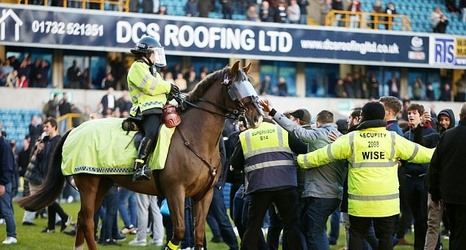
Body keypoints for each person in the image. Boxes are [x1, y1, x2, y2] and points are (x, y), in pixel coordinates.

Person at [296, 101, 434, 250]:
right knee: (385, 238)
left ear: (364, 117)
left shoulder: (352, 138)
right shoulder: (392, 139)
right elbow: (423, 154)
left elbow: (323, 155)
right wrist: (447, 147)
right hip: (387, 205)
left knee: (357, 235)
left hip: (359, 204)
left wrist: (300, 160)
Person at [261, 101, 346, 250]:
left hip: (321, 194)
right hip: (332, 192)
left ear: (318, 123)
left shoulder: (320, 134)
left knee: (314, 232)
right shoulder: (341, 138)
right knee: (307, 228)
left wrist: (273, 112)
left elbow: (295, 130)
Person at [230, 117, 307, 250]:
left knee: (253, 226)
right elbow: (303, 149)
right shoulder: (281, 131)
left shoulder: (245, 135)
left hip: (259, 186)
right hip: (285, 184)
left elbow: (235, 163)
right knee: (291, 226)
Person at [127, 36, 179, 181]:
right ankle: (139, 166)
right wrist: (169, 86)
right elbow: (151, 86)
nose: (156, 57)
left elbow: (161, 90)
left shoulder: (153, 70)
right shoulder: (137, 67)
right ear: (147, 53)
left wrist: (173, 95)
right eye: (155, 53)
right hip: (143, 109)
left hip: (157, 109)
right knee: (153, 131)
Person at [428, 103, 466, 250]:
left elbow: (435, 167)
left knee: (455, 233)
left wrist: (435, 194)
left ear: (460, 116)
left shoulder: (447, 136)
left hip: (449, 195)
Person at [402, 103, 437, 250]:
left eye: (414, 113)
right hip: (409, 179)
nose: (411, 116)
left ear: (421, 115)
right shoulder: (405, 135)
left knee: (425, 218)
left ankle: (431, 246)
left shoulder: (429, 133)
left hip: (423, 178)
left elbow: (420, 148)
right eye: (409, 113)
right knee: (416, 218)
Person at [38, 118, 72, 233]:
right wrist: (39, 151)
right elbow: (41, 160)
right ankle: (51, 226)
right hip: (46, 174)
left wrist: (62, 177)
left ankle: (65, 217)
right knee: (50, 200)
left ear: (54, 127)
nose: (45, 129)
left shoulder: (59, 141)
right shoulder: (47, 141)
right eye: (44, 127)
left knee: (48, 199)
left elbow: (61, 160)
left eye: (47, 126)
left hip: (55, 175)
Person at [0, 120, 17, 244]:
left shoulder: (4, 146)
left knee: (6, 210)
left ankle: (12, 235)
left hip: (3, 184)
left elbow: (7, 167)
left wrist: (2, 184)